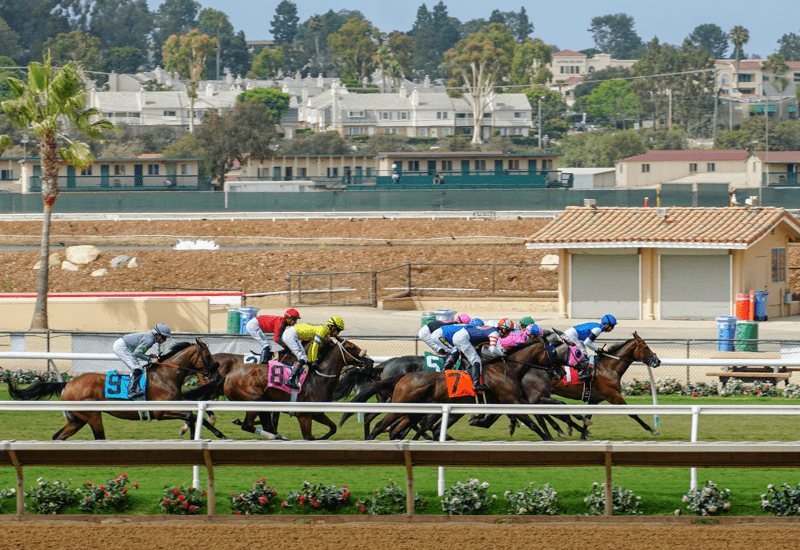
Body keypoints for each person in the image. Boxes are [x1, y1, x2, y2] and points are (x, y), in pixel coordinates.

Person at [439, 318, 514, 392]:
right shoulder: (495, 333)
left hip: (461, 336)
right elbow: (493, 349)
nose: (508, 334)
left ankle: (447, 369)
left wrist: (497, 355)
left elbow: (484, 349)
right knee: (476, 360)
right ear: (504, 329)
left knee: (475, 358)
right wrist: (502, 354)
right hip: (462, 338)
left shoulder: (493, 330)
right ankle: (476, 385)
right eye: (509, 332)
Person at [285, 316, 345, 390]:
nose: (337, 334)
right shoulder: (323, 331)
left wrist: (311, 360)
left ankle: (294, 377)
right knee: (303, 358)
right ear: (333, 328)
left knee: (305, 358)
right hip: (292, 335)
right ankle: (290, 379)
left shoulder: (324, 330)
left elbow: (312, 346)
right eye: (338, 331)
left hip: (293, 334)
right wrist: (314, 361)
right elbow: (315, 346)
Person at [112, 324, 171, 399]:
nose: (165, 340)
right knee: (137, 368)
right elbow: (137, 354)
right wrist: (150, 359)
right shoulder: (149, 340)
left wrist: (149, 356)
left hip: (123, 345)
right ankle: (131, 392)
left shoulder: (150, 338)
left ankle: (136, 389)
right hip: (121, 347)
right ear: (158, 335)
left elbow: (138, 352)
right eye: (164, 337)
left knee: (137, 369)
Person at [562, 314, 617, 381]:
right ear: (606, 324)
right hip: (571, 335)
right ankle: (581, 374)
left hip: (571, 334)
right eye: (612, 326)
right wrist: (597, 349)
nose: (612, 328)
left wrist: (597, 349)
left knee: (582, 352)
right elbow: (587, 343)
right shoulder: (598, 329)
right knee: (583, 353)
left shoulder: (598, 327)